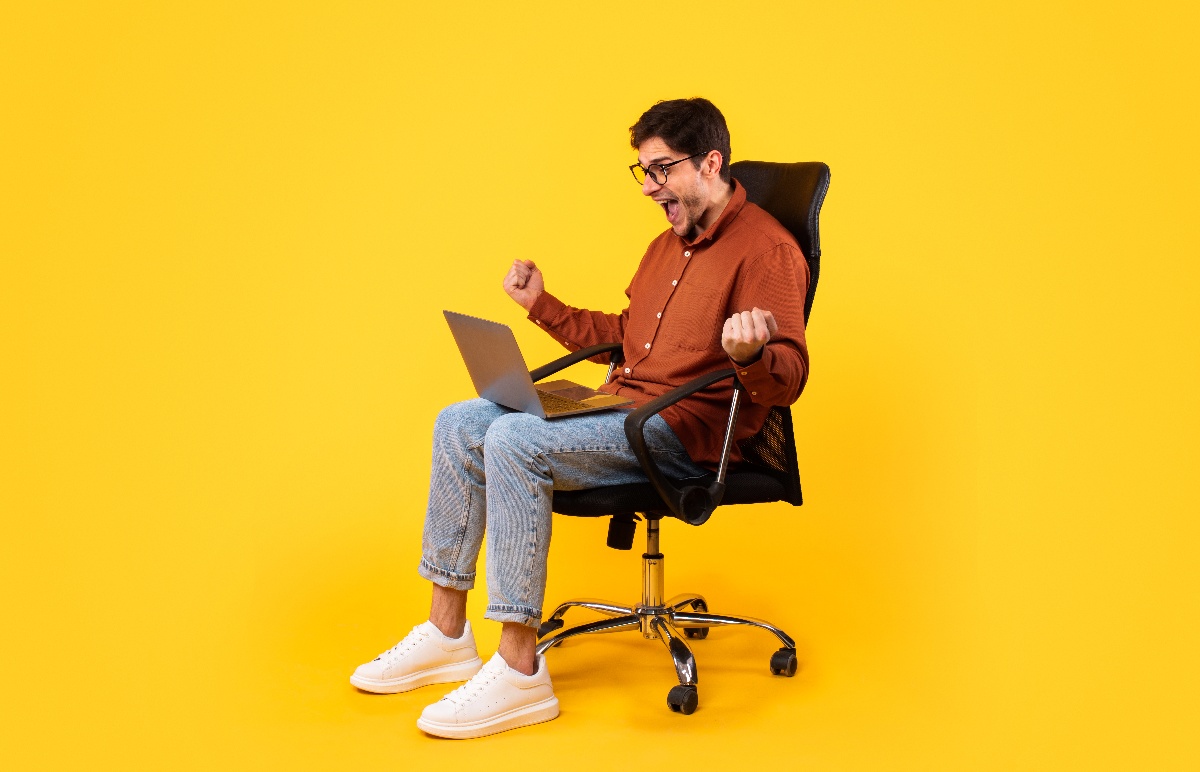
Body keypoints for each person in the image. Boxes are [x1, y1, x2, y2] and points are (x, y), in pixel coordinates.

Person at [351, 98, 810, 739]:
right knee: (459, 421)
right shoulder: (665, 245)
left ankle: (518, 671)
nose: (650, 188)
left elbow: (789, 376)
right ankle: (446, 632)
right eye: (642, 172)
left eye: (661, 170)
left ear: (710, 163)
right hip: (620, 404)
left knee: (513, 437)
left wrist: (753, 354)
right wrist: (543, 306)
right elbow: (625, 336)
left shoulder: (768, 250)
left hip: (682, 431)